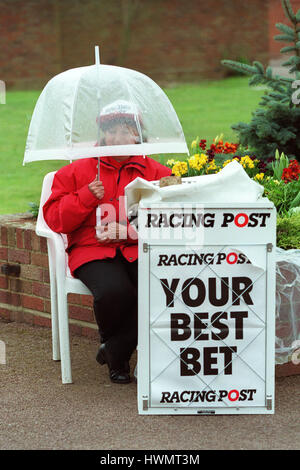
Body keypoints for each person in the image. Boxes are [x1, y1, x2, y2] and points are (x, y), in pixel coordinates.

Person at [43, 100, 171, 384]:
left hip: (140, 248)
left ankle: (114, 349)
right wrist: (87, 196)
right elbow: (56, 220)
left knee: (161, 289)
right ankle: (120, 359)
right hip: (92, 250)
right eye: (111, 132)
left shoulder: (157, 173)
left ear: (138, 135)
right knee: (115, 291)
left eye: (126, 131)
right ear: (101, 135)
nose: (117, 139)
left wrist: (127, 232)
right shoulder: (76, 172)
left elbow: (170, 222)